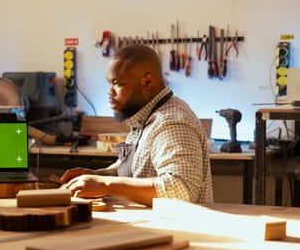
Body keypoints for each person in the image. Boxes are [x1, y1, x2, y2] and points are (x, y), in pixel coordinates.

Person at [60, 45, 213, 206]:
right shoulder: (144, 119)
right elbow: (136, 167)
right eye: (109, 83)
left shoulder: (171, 123)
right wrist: (96, 175)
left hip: (176, 229)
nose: (110, 92)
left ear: (147, 81)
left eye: (117, 84)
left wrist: (106, 185)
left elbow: (182, 189)